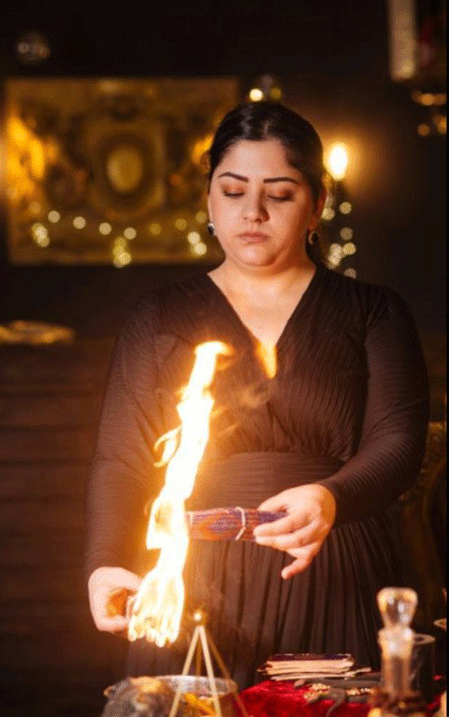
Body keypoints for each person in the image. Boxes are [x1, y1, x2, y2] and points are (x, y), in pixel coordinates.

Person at [85, 100, 429, 690]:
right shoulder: (159, 316)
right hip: (193, 576)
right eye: (233, 189)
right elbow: (122, 457)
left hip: (336, 563)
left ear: (316, 204)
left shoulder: (373, 311)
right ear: (209, 199)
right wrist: (104, 562)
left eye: (280, 194)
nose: (253, 212)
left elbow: (398, 441)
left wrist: (332, 497)